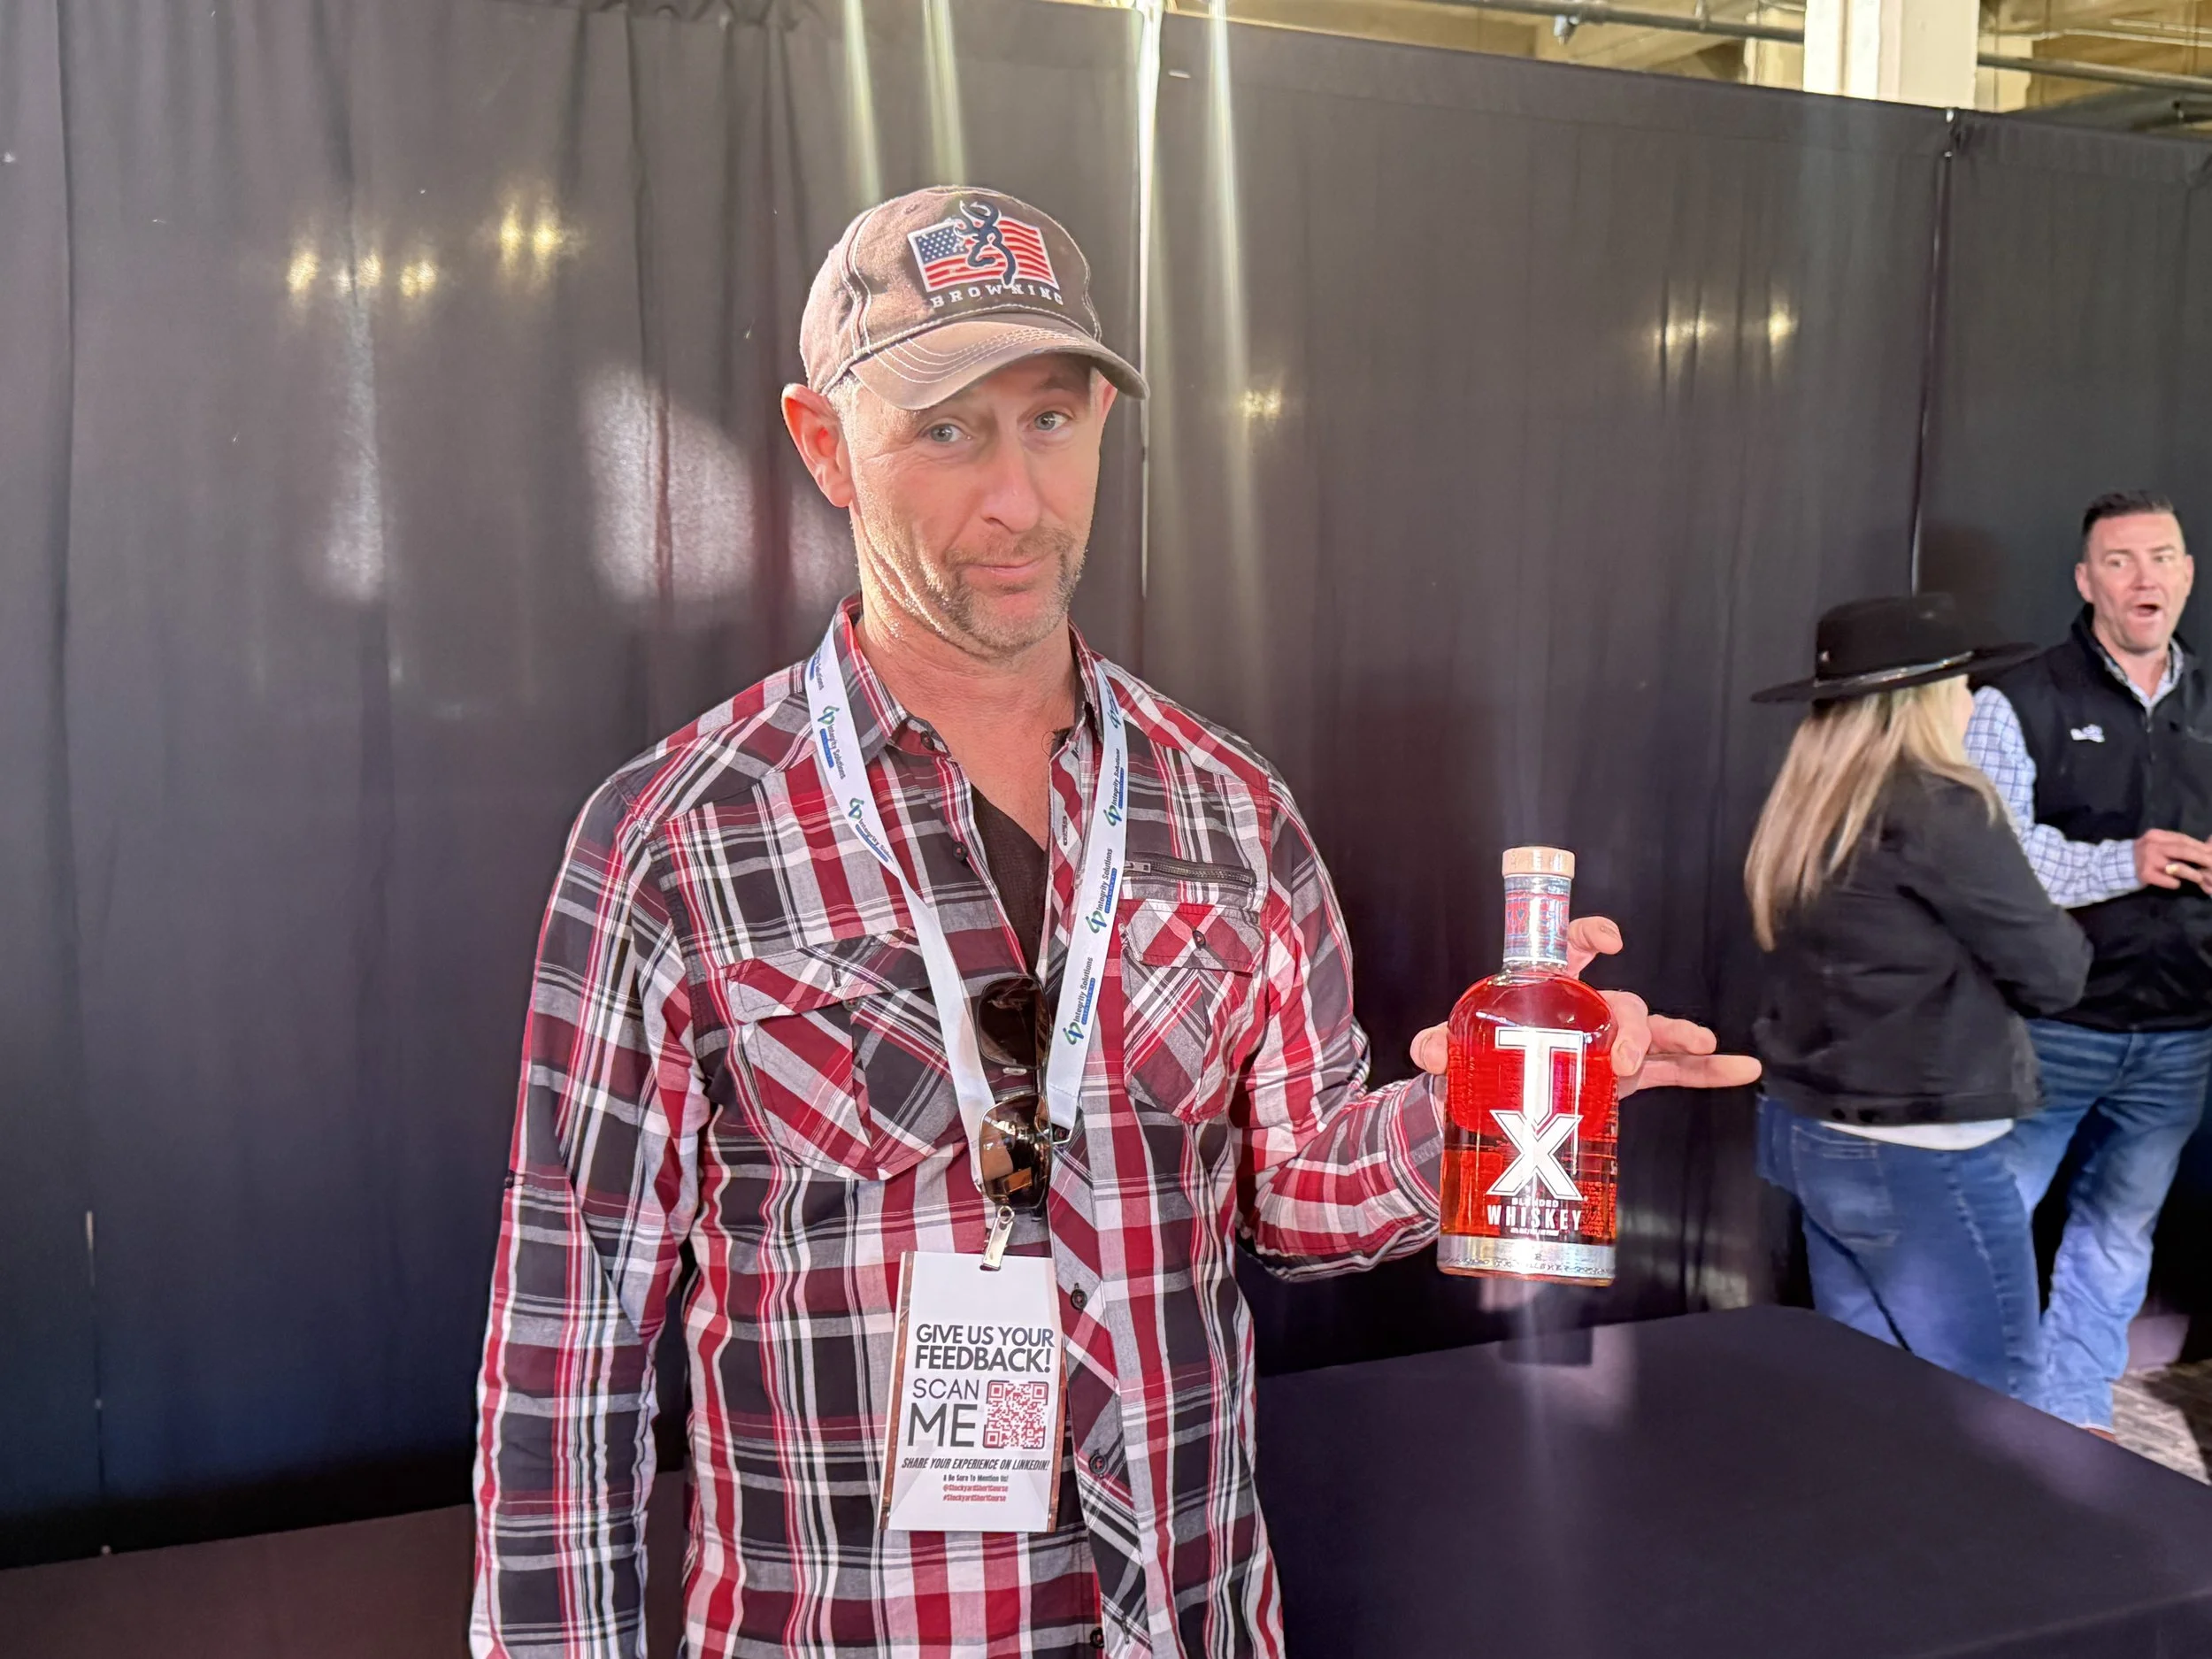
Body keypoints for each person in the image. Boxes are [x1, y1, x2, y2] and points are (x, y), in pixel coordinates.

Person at [468, 185, 1758, 1659]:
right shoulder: (677, 838)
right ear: (825, 446)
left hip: (1187, 1615)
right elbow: (569, 1339)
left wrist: (1492, 1102)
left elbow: (1304, 1192)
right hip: (857, 1630)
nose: (1017, 500)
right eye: (945, 430)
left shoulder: (1228, 809)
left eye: (1052, 419)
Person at [1747, 595, 2090, 1401]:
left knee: (1875, 1403)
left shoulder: (1811, 810)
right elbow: (2057, 973)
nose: (1972, 700)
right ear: (1925, 700)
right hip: (1918, 1150)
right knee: (1998, 1411)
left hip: (1811, 1134)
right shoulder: (1942, 805)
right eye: (1960, 683)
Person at [1964, 490, 2212, 1436]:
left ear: (2187, 573)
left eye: (2162, 556)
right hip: (2050, 1025)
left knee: (2118, 1240)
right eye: (2120, 560)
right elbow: (1992, 861)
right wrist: (2126, 860)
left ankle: (2073, 1426)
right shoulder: (2017, 698)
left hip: (2179, 1032)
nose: (2144, 576)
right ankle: (1965, 1415)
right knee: (1990, 1226)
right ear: (2085, 580)